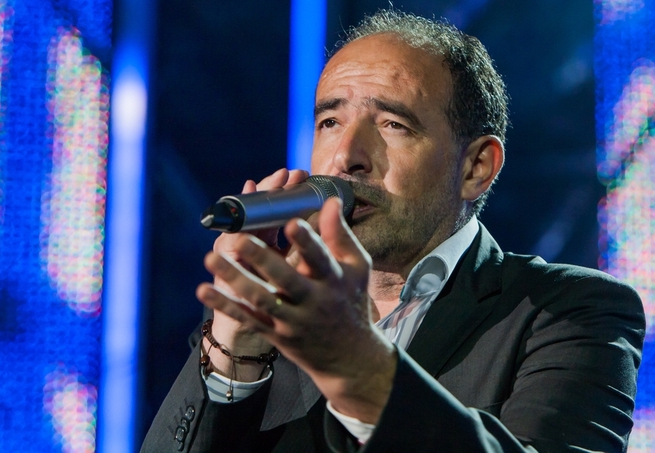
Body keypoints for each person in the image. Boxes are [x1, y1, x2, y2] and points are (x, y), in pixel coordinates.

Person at [140, 9, 645, 453]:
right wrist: (233, 356)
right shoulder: (274, 315)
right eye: (330, 122)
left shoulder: (570, 311)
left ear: (476, 167)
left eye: (392, 125)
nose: (346, 157)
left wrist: (357, 367)